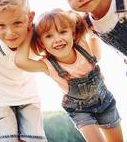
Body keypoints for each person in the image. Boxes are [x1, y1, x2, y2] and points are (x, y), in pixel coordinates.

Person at [15, 9, 123, 142]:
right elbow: (20, 62)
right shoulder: (47, 65)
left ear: (72, 33)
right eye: (49, 36)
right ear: (41, 43)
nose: (57, 39)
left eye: (62, 32)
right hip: (80, 111)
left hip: (105, 102)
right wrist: (29, 32)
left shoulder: (83, 45)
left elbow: (92, 32)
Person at [0, 0, 46, 142]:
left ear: (30, 18)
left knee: (35, 140)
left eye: (17, 23)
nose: (10, 33)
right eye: (1, 25)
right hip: (0, 100)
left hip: (29, 97)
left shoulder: (39, 37)